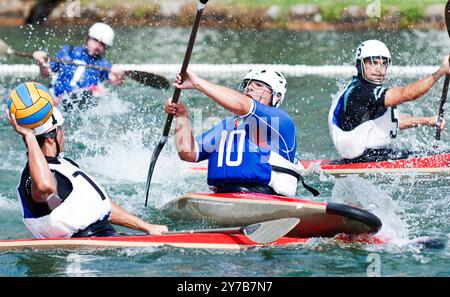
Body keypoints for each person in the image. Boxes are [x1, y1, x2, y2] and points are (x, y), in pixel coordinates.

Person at [7, 83, 167, 239]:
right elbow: (44, 187)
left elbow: (98, 207)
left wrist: (147, 227)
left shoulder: (64, 166)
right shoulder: (32, 178)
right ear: (51, 138)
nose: (64, 136)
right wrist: (29, 136)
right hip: (83, 258)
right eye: (61, 130)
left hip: (106, 239)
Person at [163, 67, 306, 197]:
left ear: (277, 96)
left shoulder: (280, 119)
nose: (250, 87)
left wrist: (197, 83)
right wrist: (182, 116)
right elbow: (188, 153)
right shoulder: (227, 126)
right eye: (247, 84)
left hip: (266, 197)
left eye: (259, 85)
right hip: (222, 196)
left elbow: (242, 105)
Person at [328, 39, 449, 161]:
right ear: (360, 65)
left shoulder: (361, 88)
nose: (379, 69)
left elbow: (389, 120)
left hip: (374, 156)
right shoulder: (360, 92)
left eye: (383, 63)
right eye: (373, 63)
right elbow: (405, 94)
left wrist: (427, 121)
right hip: (366, 159)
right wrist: (441, 72)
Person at [32, 22, 125, 110]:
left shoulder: (102, 64)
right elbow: (45, 74)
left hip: (81, 102)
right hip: (57, 99)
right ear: (88, 38)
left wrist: (119, 75)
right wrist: (41, 62)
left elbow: (116, 81)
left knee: (89, 93)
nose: (98, 46)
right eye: (96, 41)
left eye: (102, 45)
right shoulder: (68, 51)